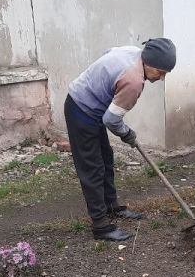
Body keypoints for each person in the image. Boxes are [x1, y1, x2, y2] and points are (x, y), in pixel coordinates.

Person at [64, 38, 177, 241]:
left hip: (93, 108)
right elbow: (111, 120)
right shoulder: (134, 81)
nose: (161, 78)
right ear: (149, 62)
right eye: (160, 72)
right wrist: (127, 134)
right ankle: (101, 226)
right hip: (81, 110)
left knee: (106, 159)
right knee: (92, 168)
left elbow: (108, 52)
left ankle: (111, 207)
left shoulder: (133, 52)